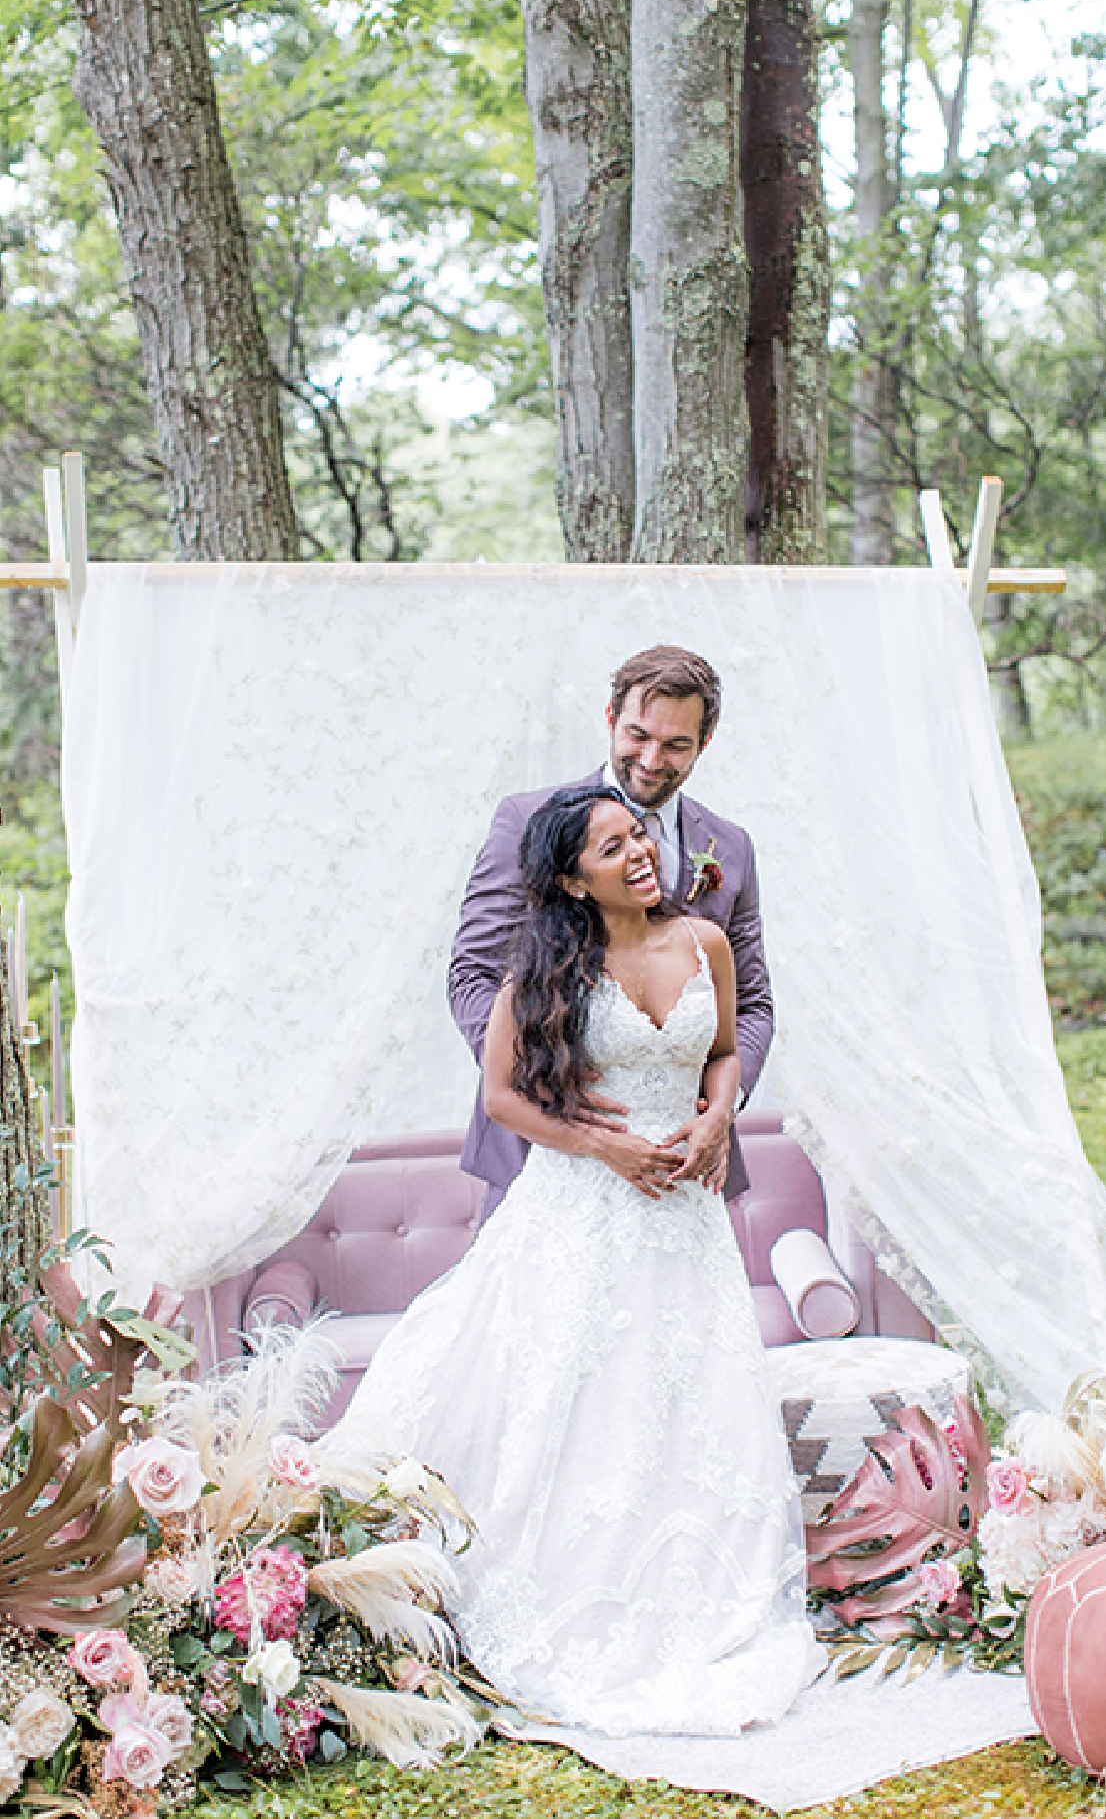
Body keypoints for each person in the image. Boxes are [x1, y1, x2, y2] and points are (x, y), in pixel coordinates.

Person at [324, 784, 819, 1737]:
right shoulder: (546, 966)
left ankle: (698, 1593)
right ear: (570, 879)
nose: (639, 854)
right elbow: (503, 1097)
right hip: (581, 1211)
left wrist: (717, 1116)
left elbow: (721, 1049)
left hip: (684, 1217)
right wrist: (604, 1148)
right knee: (574, 1395)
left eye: (637, 836)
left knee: (687, 1400)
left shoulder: (702, 943)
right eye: (611, 847)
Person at [449, 645, 774, 1223]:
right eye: (637, 734)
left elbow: (751, 1004)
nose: (651, 759)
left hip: (682, 1166)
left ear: (705, 741)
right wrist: (544, 1084)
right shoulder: (527, 822)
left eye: (676, 744)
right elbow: (473, 974)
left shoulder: (732, 847)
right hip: (541, 1164)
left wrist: (720, 1109)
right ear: (609, 718)